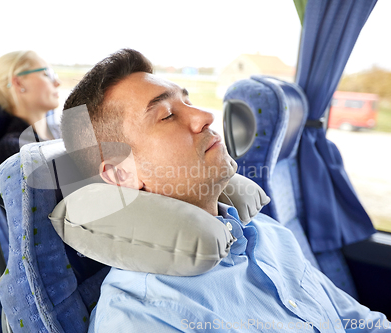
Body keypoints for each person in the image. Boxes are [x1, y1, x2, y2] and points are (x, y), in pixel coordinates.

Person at [60, 49, 390, 332]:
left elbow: (355, 321)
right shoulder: (143, 317)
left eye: (187, 100)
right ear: (121, 174)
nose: (205, 115)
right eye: (167, 115)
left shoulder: (266, 232)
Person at [0, 50, 61, 170]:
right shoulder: (15, 150)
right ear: (18, 83)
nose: (58, 83)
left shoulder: (60, 131)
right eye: (47, 74)